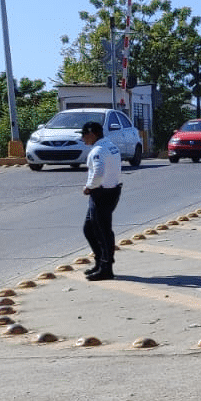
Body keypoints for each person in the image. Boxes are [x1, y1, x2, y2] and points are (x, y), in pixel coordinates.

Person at [80, 120, 123, 281]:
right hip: (112, 190)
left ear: (92, 133)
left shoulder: (98, 150)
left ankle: (106, 268)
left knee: (102, 231)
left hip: (101, 193)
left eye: (84, 135)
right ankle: (101, 262)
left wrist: (89, 187)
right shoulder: (110, 146)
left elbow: (98, 172)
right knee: (90, 229)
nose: (83, 139)